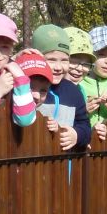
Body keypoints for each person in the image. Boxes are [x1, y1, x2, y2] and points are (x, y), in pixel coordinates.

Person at [32, 23, 91, 151]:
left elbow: (84, 125)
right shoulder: (27, 89)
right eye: (51, 59)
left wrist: (77, 134)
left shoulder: (73, 91)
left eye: (64, 60)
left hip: (64, 166)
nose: (58, 67)